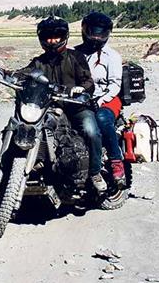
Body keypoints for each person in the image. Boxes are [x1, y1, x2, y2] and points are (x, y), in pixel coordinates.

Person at [17, 16, 107, 193]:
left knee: (91, 131)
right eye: (48, 37)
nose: (52, 41)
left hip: (76, 106)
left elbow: (88, 81)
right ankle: (37, 164)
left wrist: (81, 89)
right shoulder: (39, 61)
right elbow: (25, 73)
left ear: (64, 36)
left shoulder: (75, 57)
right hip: (50, 107)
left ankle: (95, 172)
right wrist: (10, 75)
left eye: (56, 36)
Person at [74, 11, 126, 186]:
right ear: (84, 30)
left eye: (101, 32)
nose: (96, 36)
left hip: (107, 97)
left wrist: (101, 100)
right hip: (80, 98)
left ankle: (116, 161)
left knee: (102, 118)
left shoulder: (112, 56)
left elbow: (115, 84)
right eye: (92, 31)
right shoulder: (74, 53)